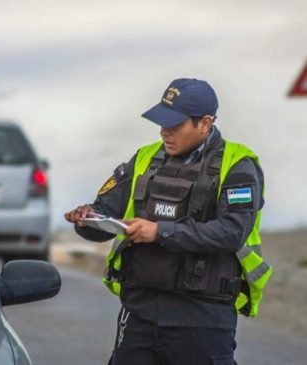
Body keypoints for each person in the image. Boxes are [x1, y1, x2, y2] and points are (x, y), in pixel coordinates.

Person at [64, 78, 272, 365]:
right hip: (140, 313)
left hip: (203, 318)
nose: (164, 132)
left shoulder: (238, 166)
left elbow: (231, 232)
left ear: (205, 123)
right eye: (162, 123)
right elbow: (104, 218)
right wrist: (86, 220)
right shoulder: (144, 159)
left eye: (175, 124)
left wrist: (159, 231)